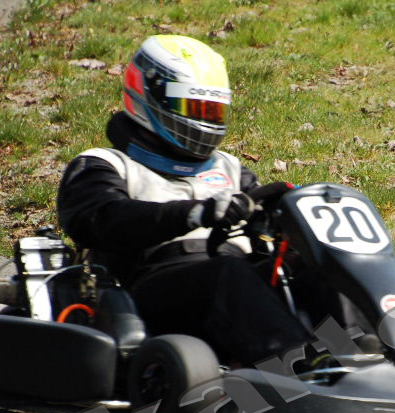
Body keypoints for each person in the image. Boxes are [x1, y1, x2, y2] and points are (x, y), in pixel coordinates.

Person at [56, 35, 318, 366]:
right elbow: (104, 220)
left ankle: (365, 353)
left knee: (314, 271)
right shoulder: (103, 164)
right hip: (151, 291)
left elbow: (264, 229)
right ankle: (299, 370)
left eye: (213, 110)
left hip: (238, 283)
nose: (205, 119)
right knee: (227, 273)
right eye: (194, 108)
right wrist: (194, 214)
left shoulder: (230, 168)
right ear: (150, 97)